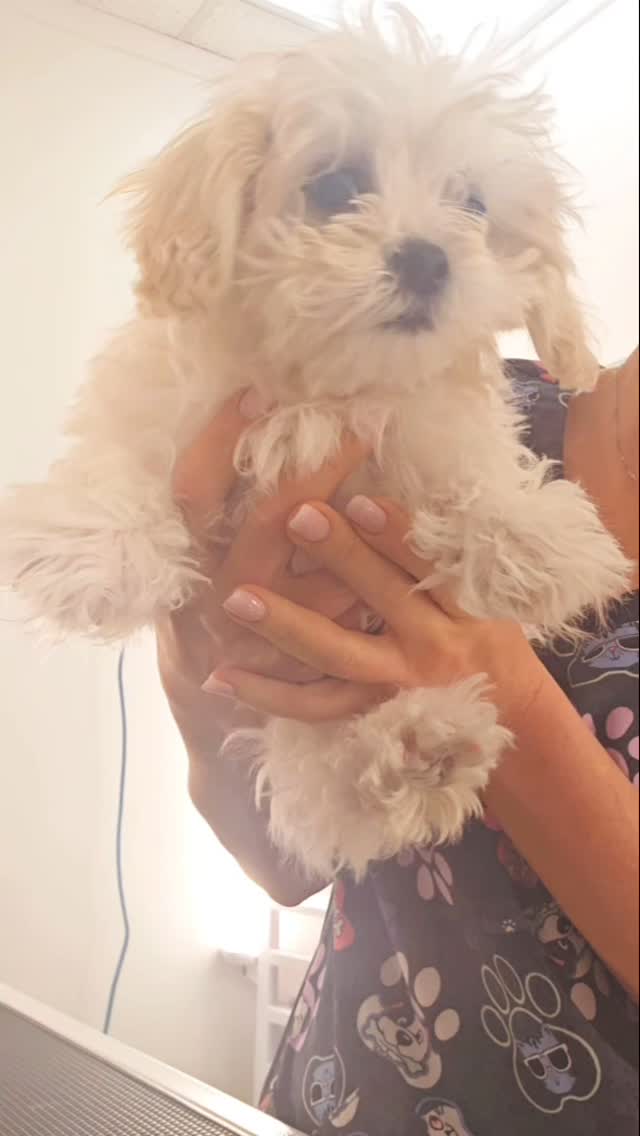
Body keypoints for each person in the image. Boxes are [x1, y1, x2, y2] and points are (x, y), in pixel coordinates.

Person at [158, 351, 639, 1135]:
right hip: (331, 1101)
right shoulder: (462, 410)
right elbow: (283, 865)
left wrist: (502, 699)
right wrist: (205, 651)